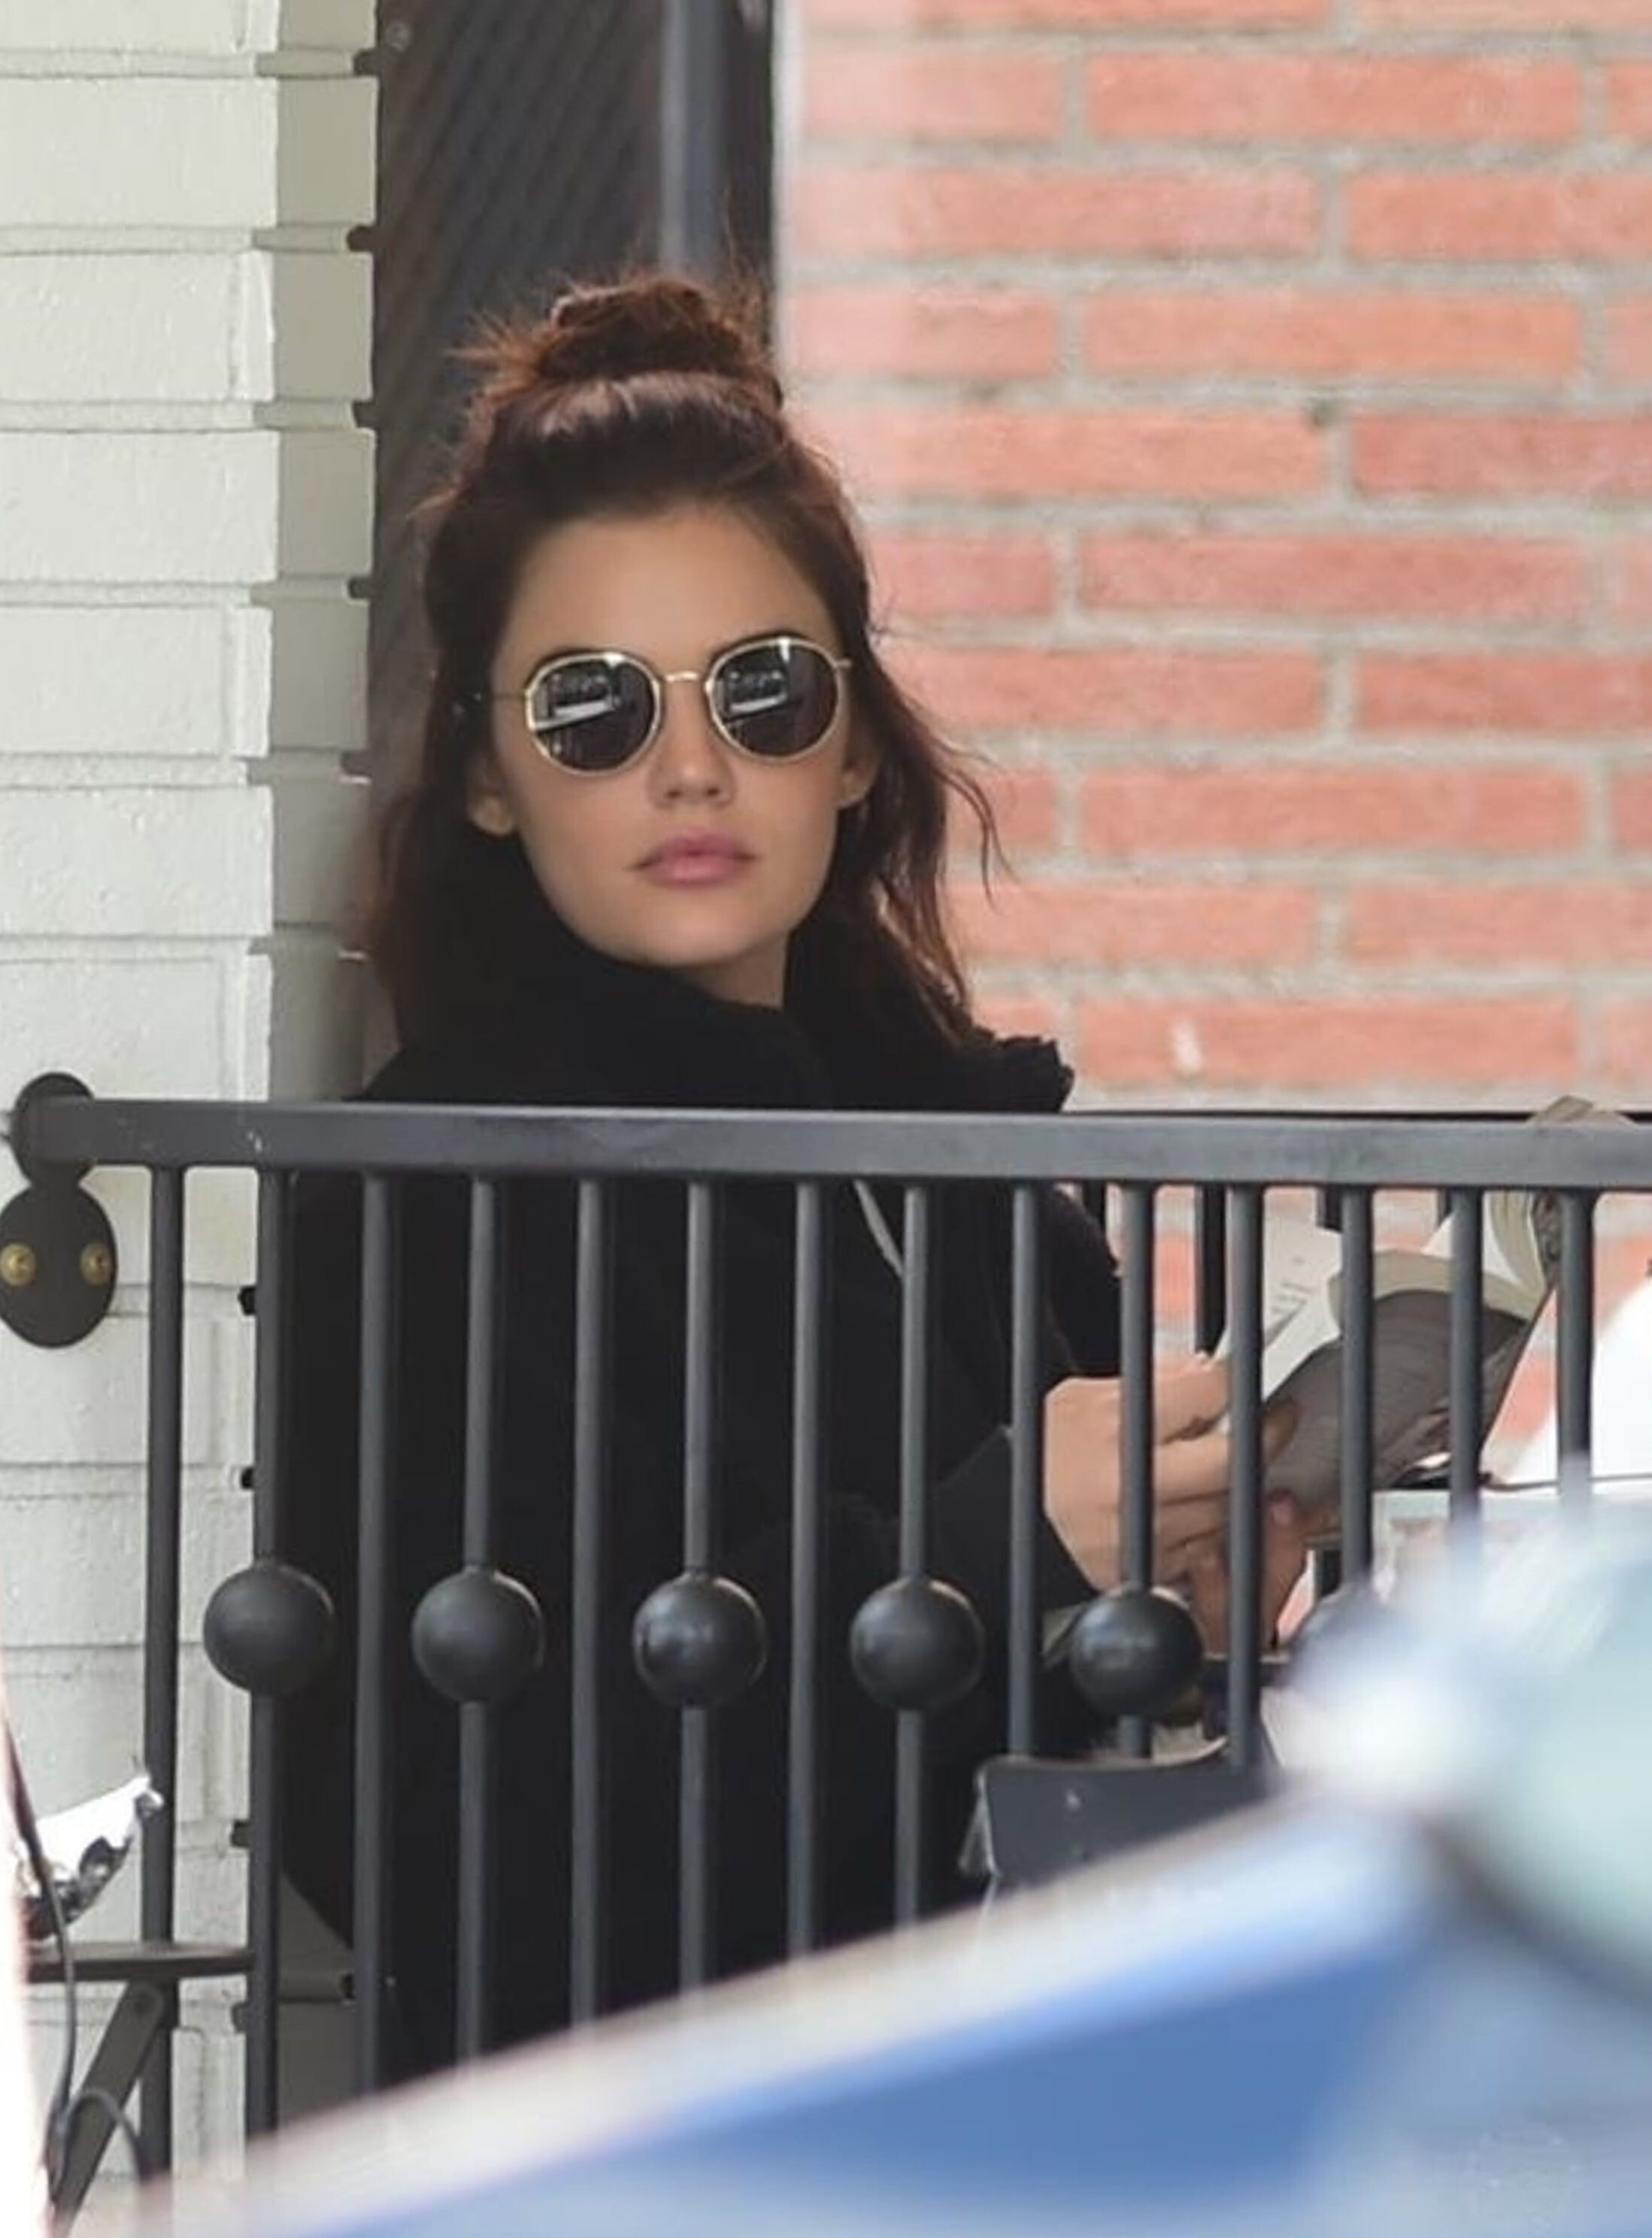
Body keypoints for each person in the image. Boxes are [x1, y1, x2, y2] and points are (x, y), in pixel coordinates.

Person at [281, 275, 1309, 2074]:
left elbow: (1044, 1712)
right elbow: (457, 1848)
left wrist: (1176, 1599)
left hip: (1011, 2107)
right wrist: (995, 1552)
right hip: (664, 2170)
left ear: (847, 746)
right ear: (489, 774)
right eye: (595, 710)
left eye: (762, 692)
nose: (693, 767)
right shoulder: (441, 1194)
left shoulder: (963, 1160)